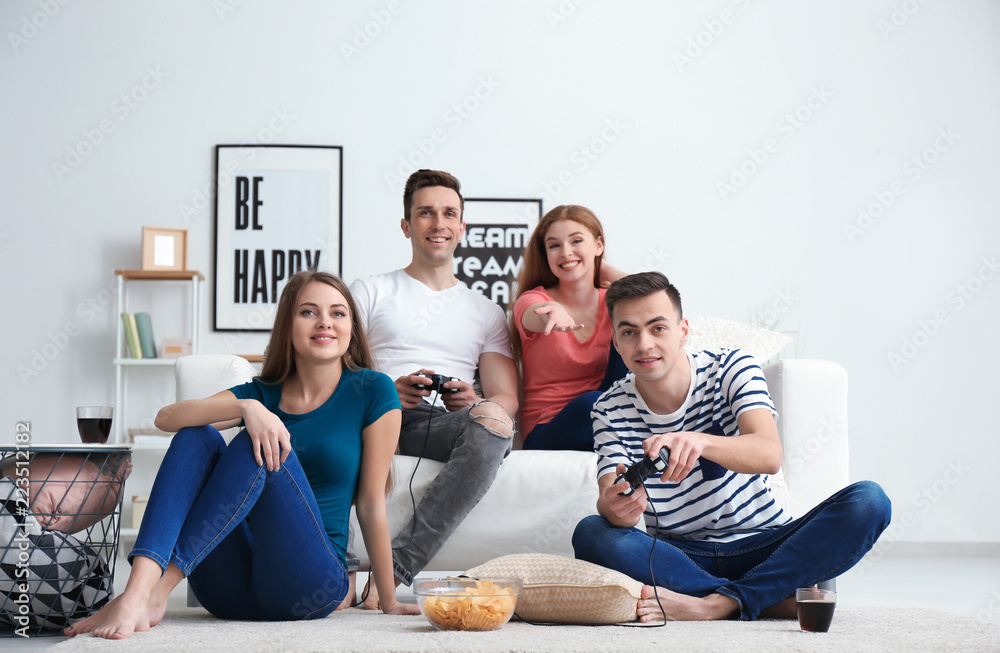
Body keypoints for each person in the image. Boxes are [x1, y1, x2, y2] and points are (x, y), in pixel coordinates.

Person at [65, 271, 419, 640]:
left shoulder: (373, 390)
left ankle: (154, 594)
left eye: (338, 313)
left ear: (352, 327)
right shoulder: (261, 392)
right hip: (228, 590)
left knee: (259, 446)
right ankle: (139, 592)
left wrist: (389, 600)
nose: (325, 322)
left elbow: (370, 504)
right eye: (309, 312)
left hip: (307, 584)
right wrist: (251, 408)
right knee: (196, 434)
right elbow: (165, 417)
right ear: (289, 326)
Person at [572, 272, 891, 622]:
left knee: (869, 501)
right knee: (592, 532)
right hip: (679, 553)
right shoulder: (608, 408)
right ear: (616, 342)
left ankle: (713, 603)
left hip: (765, 543)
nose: (644, 344)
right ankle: (765, 596)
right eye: (629, 332)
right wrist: (619, 507)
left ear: (683, 331)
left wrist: (700, 440)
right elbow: (608, 500)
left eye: (658, 328)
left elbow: (769, 455)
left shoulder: (732, 366)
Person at [346, 169, 518, 609]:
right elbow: (330, 371)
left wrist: (475, 402)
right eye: (425, 213)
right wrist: (382, 390)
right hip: (369, 414)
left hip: (441, 422)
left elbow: (506, 400)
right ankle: (338, 568)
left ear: (462, 227)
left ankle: (395, 572)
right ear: (406, 225)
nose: (437, 223)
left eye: (448, 214)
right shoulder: (370, 291)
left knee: (495, 421)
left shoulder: (485, 310)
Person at [511, 204, 628, 451]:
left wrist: (605, 269)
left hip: (609, 410)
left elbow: (656, 303)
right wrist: (549, 315)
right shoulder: (533, 299)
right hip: (549, 428)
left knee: (634, 329)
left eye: (576, 241)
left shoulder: (614, 301)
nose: (565, 252)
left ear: (598, 245)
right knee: (593, 404)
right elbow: (532, 314)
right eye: (554, 245)